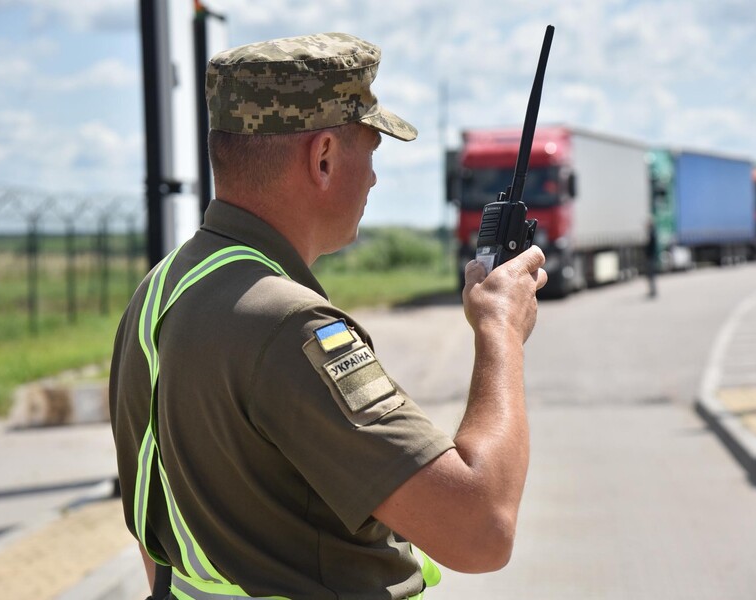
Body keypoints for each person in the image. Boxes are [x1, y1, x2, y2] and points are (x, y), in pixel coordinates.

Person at [109, 32, 546, 600]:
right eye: (371, 151)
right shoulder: (290, 324)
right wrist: (500, 330)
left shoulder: (159, 291)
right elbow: (481, 530)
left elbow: (157, 536)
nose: (373, 178)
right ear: (322, 158)